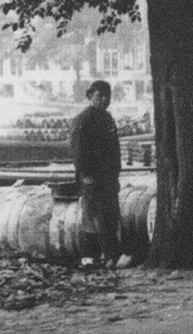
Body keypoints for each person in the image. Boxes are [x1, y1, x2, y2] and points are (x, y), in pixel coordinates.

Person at [70, 80, 121, 269]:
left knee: (100, 216)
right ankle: (110, 256)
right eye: (100, 96)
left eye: (108, 96)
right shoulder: (83, 120)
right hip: (91, 177)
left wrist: (116, 174)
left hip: (108, 177)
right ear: (91, 96)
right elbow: (78, 152)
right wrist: (85, 175)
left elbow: (114, 151)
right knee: (99, 216)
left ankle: (89, 257)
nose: (105, 100)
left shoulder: (107, 119)